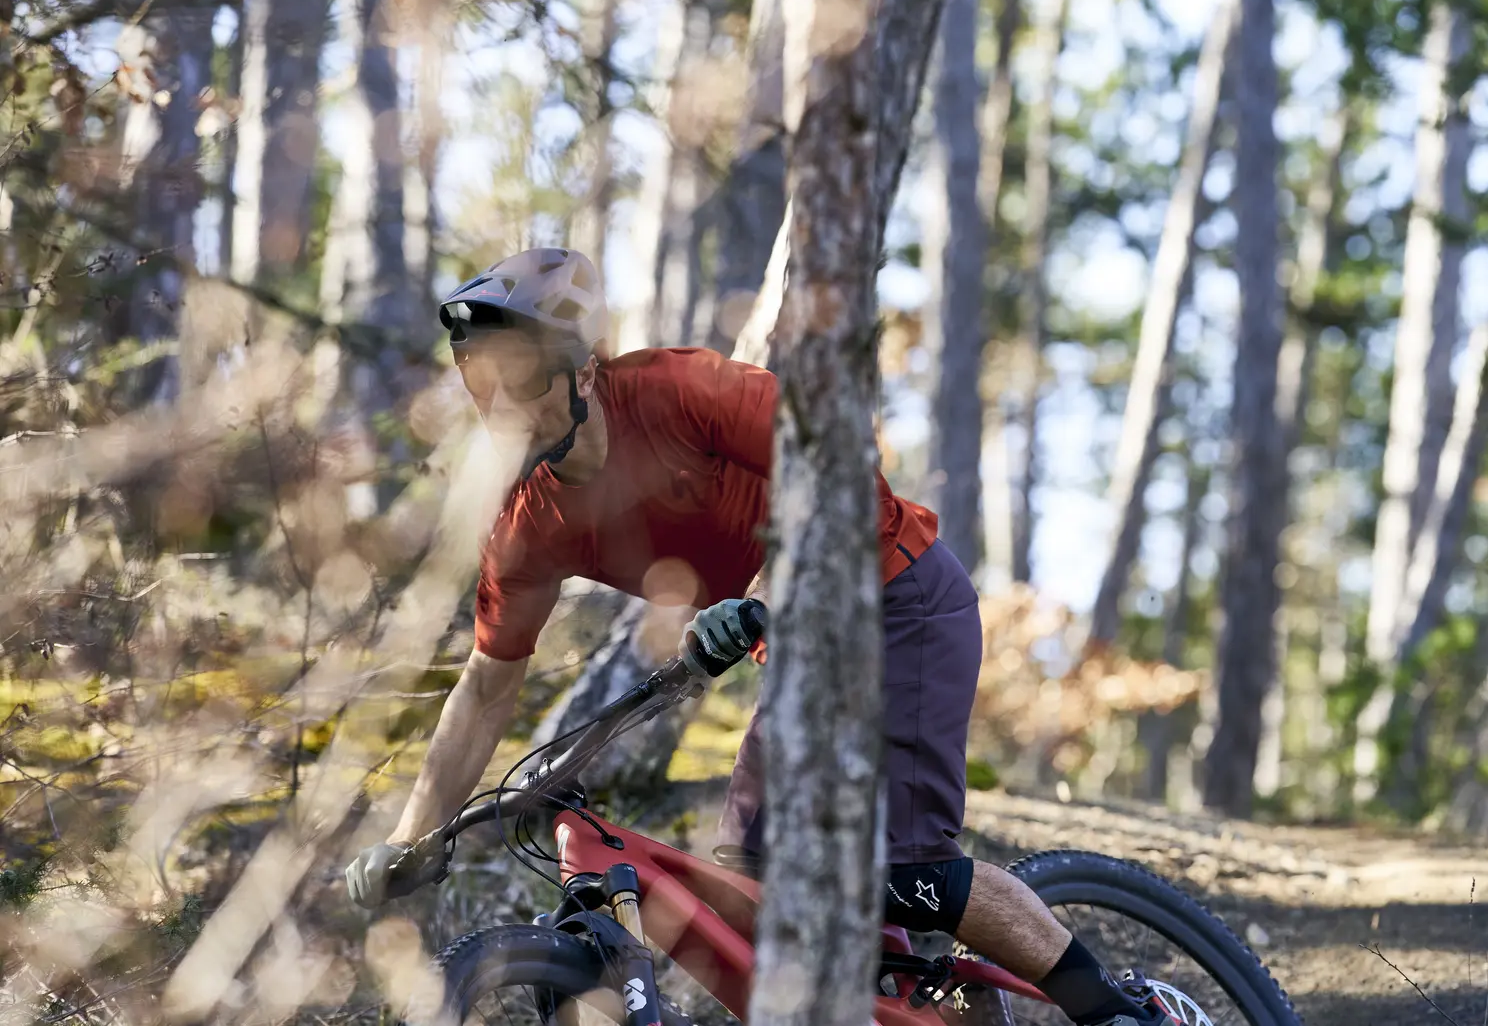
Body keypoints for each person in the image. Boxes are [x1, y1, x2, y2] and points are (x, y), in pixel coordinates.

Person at [342, 248, 1169, 1026]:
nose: (498, 406)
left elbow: (836, 459)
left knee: (900, 869)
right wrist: (413, 840)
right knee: (748, 887)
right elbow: (486, 687)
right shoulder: (528, 527)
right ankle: (908, 999)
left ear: (583, 371)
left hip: (897, 598)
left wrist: (763, 594)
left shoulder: (677, 392)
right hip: (800, 656)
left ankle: (1115, 1011)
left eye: (518, 380)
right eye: (479, 382)